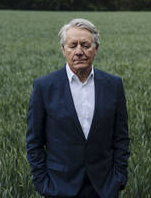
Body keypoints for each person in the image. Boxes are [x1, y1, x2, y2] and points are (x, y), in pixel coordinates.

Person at [26, 18, 130, 198]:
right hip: (59, 188)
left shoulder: (113, 85)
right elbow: (34, 142)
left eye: (85, 45)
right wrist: (43, 184)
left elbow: (121, 137)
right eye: (73, 45)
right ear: (63, 50)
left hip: (103, 188)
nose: (79, 51)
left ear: (96, 49)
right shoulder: (44, 87)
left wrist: (118, 179)